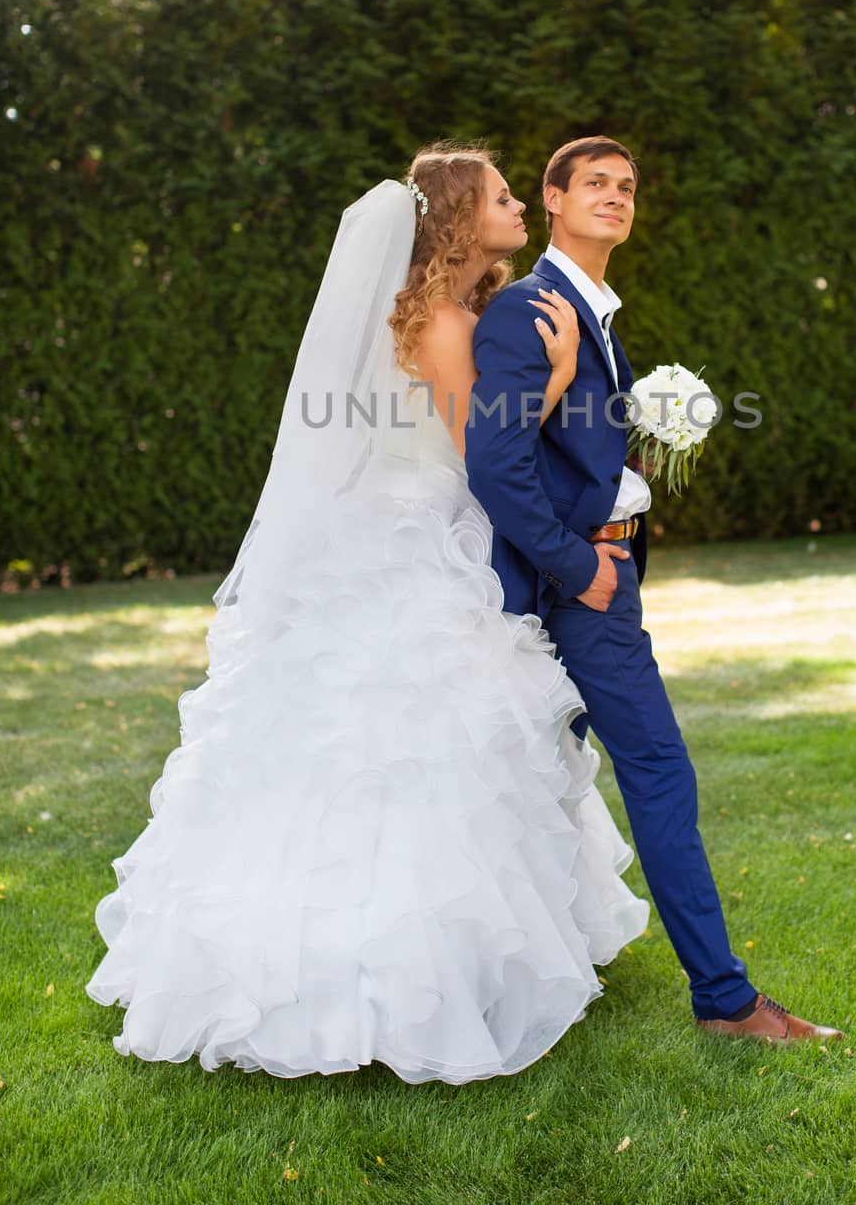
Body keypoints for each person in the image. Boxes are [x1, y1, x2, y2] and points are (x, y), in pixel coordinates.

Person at [83, 145, 650, 1083]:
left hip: (429, 531)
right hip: (415, 546)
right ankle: (375, 984)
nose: (518, 210)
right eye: (504, 198)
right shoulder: (436, 321)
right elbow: (482, 445)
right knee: (404, 747)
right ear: (459, 219)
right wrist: (553, 384)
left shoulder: (460, 310)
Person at [464, 134, 843, 1045]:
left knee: (528, 777)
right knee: (659, 772)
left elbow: (562, 452)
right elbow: (495, 462)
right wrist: (580, 566)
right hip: (579, 589)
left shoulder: (592, 312)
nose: (615, 196)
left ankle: (495, 976)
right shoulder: (530, 312)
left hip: (606, 571)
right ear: (551, 200)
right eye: (593, 183)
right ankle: (725, 1000)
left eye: (627, 186)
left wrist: (636, 458)